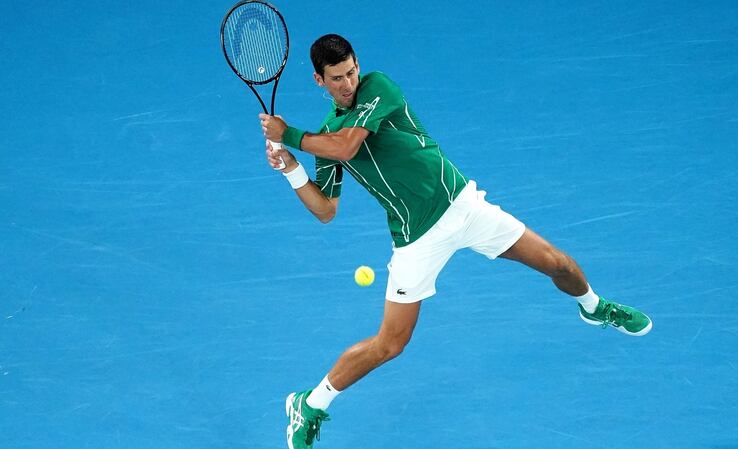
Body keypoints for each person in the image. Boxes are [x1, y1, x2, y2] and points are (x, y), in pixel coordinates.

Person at [259, 34, 652, 449]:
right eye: (337, 78)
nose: (348, 83)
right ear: (318, 80)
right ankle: (310, 403)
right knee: (391, 343)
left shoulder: (377, 88)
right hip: (416, 239)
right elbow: (325, 210)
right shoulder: (323, 140)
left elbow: (348, 144)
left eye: (351, 71)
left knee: (557, 262)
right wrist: (290, 169)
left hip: (462, 205)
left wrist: (290, 135)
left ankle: (594, 308)